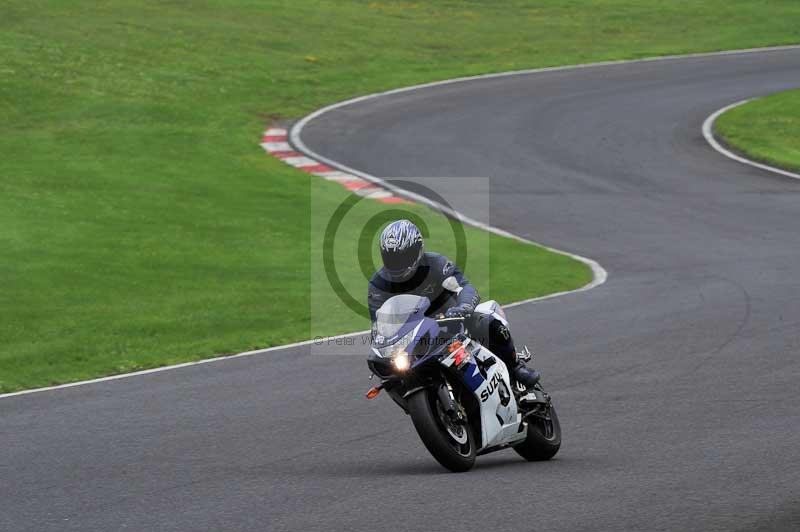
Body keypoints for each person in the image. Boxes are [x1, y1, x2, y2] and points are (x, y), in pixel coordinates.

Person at [367, 219, 540, 390]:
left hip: (451, 323)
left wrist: (463, 308)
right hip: (415, 340)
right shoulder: (378, 285)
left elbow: (465, 287)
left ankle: (516, 367)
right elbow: (379, 326)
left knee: (486, 319)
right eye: (392, 258)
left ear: (417, 250)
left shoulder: (436, 264)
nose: (398, 263)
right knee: (391, 378)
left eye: (403, 257)